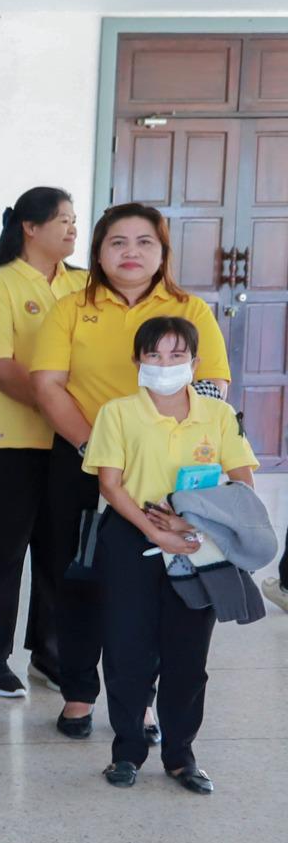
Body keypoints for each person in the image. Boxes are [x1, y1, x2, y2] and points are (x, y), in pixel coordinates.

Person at [29, 202, 230, 738]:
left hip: (166, 474)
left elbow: (212, 388)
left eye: (145, 242)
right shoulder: (71, 308)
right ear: (98, 251)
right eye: (118, 242)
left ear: (163, 252)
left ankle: (142, 698)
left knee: (157, 584)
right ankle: (77, 691)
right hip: (80, 457)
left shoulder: (192, 309)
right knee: (75, 576)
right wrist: (96, 447)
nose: (131, 252)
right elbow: (49, 385)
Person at [84, 317, 256, 793]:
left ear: (195, 363)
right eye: (154, 355)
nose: (164, 364)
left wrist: (189, 524)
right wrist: (154, 531)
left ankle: (181, 755)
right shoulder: (117, 412)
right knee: (126, 650)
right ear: (138, 361)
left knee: (187, 655)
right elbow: (110, 485)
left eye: (176, 355)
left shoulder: (219, 417)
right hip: (130, 537)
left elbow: (242, 482)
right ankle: (127, 751)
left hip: (196, 546)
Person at [0, 188, 85, 699]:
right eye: (63, 221)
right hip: (8, 440)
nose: (74, 230)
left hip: (70, 441)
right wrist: (57, 403)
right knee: (1, 554)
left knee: (61, 553)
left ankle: (49, 653)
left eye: (76, 222)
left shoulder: (83, 285)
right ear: (30, 228)